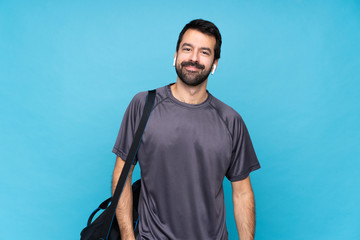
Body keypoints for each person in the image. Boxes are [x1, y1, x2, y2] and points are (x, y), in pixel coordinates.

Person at [112, 19, 261, 240]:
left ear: (214, 64)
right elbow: (121, 175)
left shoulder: (230, 120)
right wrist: (127, 236)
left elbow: (242, 192)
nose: (193, 58)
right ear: (175, 55)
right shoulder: (144, 105)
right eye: (187, 49)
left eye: (204, 52)